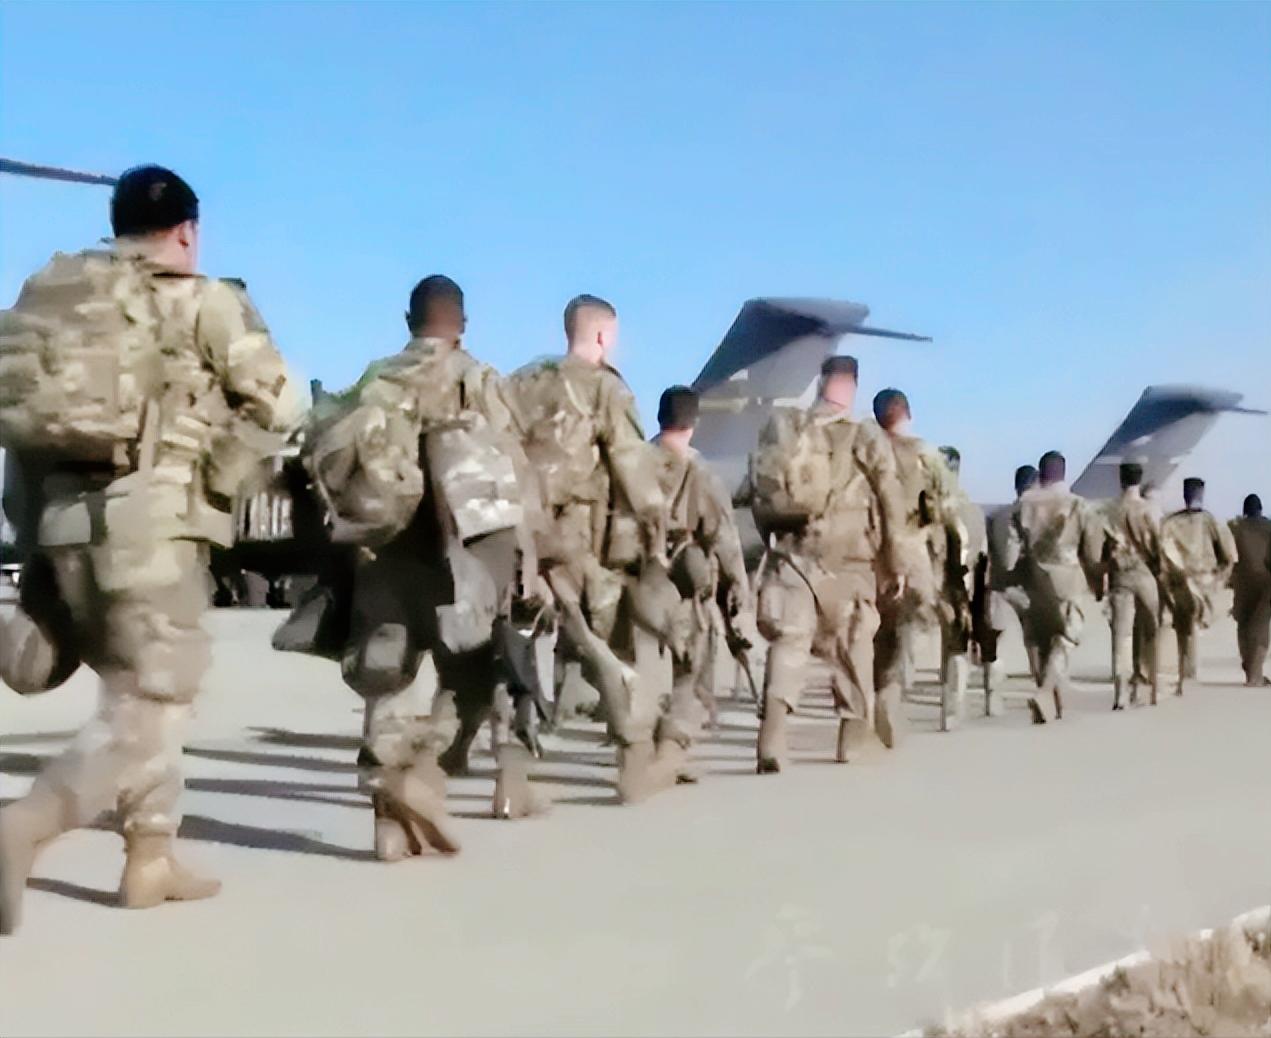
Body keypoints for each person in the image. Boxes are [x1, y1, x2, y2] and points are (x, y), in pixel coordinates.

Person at [0, 165, 300, 933]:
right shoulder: (205, 302)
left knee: (137, 693)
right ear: (188, 233)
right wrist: (220, 478)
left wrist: (35, 533)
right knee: (152, 701)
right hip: (154, 530)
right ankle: (23, 826)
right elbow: (281, 403)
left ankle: (150, 857)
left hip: (62, 528)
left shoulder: (66, 303)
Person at [281, 275, 545, 860]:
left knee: (386, 678)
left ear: (408, 321)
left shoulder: (377, 378)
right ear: (463, 326)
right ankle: (423, 774)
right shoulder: (479, 380)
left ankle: (387, 822)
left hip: (382, 552)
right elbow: (514, 474)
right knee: (471, 679)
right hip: (458, 560)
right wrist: (527, 560)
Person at [509, 294, 673, 802]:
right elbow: (632, 469)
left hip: (518, 531)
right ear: (603, 336)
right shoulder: (606, 389)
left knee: (510, 641)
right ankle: (633, 757)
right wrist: (657, 537)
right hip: (576, 535)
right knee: (610, 640)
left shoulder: (521, 382)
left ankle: (507, 774)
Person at [750, 355, 911, 773]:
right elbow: (891, 500)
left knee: (790, 642)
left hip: (793, 554)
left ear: (821, 383)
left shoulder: (788, 428)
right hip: (849, 562)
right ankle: (851, 739)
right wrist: (896, 563)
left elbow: (758, 495)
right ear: (851, 386)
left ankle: (773, 735)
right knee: (854, 647)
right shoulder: (864, 435)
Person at [649, 385, 751, 781]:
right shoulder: (700, 471)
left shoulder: (632, 461)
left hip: (633, 575)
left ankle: (635, 749)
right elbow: (723, 535)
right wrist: (737, 581)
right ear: (693, 423)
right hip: (681, 581)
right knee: (689, 667)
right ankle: (671, 752)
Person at [870, 390, 964, 730]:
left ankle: (877, 693)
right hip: (911, 552)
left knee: (878, 629)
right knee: (926, 618)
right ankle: (894, 691)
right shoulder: (925, 453)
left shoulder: (863, 450)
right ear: (907, 413)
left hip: (867, 552)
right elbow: (948, 508)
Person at [1008, 451, 1104, 724]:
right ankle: (1045, 692)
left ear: (1041, 474)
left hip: (1032, 578)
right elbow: (1093, 553)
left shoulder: (1022, 505)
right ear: (1063, 472)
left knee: (1039, 640)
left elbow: (1010, 550)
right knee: (1066, 637)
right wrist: (1096, 578)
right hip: (1066, 578)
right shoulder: (1078, 505)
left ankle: (1051, 704)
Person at [1161, 478, 1236, 695]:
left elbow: (1162, 554)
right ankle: (1188, 675)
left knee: (1184, 629)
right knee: (1189, 629)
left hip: (1182, 582)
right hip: (1200, 582)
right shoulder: (1210, 521)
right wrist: (1219, 579)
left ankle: (1186, 674)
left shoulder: (1171, 523)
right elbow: (1229, 556)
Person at [1099, 462, 1163, 709]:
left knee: (1121, 636)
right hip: (1145, 575)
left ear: (1120, 479)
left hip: (1120, 577)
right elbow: (1159, 545)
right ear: (1140, 479)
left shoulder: (1108, 510)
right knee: (1151, 632)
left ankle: (1120, 694)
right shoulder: (1149, 510)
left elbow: (1100, 548)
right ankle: (1151, 687)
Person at [982, 465, 1040, 710]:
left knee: (994, 642)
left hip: (998, 584)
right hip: (1025, 585)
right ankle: (1041, 689)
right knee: (1034, 639)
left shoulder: (997, 516)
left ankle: (992, 698)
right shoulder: (1035, 514)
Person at [937, 445, 986, 725]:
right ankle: (952, 706)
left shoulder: (927, 507)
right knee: (956, 646)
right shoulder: (973, 511)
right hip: (963, 584)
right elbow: (981, 555)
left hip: (936, 582)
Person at [1229, 494, 1271, 687]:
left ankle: (1249, 671)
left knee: (1244, 625)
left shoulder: (1236, 529)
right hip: (1265, 583)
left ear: (1244, 511)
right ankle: (1256, 675)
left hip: (1242, 583)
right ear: (1261, 510)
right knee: (1260, 627)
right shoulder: (1269, 528)